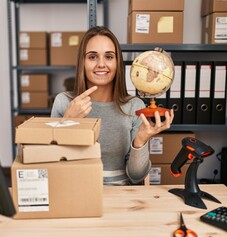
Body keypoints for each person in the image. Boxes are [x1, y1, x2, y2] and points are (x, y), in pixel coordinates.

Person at [51, 26, 174, 185]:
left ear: (117, 62)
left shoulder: (133, 106)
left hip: (121, 197)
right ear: (82, 62)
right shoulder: (65, 102)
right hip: (76, 191)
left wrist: (141, 141)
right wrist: (68, 122)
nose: (101, 64)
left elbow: (136, 176)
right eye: (92, 57)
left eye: (109, 57)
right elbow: (53, 165)